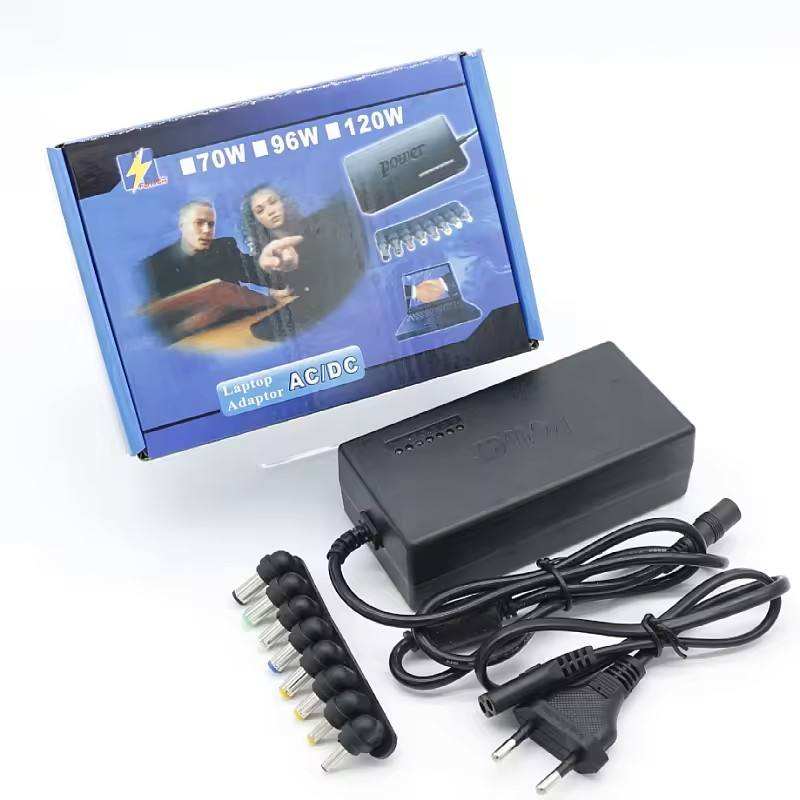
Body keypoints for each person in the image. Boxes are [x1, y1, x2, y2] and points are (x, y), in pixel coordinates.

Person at [240, 184, 365, 339]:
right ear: (256, 220)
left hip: (343, 289)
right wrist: (271, 284)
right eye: (260, 211)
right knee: (262, 330)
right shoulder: (267, 256)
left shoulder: (320, 224)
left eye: (273, 202)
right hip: (315, 304)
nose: (270, 211)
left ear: (284, 202)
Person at [146, 200, 256, 300]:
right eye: (199, 223)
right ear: (182, 226)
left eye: (211, 224)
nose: (207, 230)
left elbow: (256, 271)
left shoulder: (225, 248)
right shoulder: (156, 264)